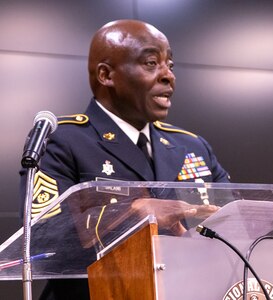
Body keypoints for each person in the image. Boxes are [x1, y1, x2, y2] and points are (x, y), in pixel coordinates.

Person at [20, 19, 230, 300]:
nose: (168, 76)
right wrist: (133, 212)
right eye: (152, 63)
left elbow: (232, 225)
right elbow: (42, 245)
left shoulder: (191, 145)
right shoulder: (62, 140)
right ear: (106, 75)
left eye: (170, 65)